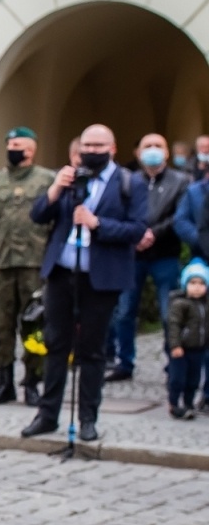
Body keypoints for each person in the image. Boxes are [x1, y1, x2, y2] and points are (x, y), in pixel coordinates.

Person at [22, 124, 150, 441]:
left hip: (101, 278)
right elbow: (38, 215)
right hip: (62, 273)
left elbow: (137, 229)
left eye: (98, 146)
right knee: (55, 344)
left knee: (92, 351)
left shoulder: (130, 183)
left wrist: (97, 223)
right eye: (87, 146)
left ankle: (88, 418)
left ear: (112, 149)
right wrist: (55, 189)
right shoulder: (69, 178)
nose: (91, 151)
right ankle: (47, 415)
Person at [0, 127, 55, 405]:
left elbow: (56, 221)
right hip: (2, 264)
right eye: (9, 144)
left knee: (34, 325)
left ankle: (32, 381)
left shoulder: (46, 180)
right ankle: (4, 381)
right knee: (1, 325)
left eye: (17, 144)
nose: (11, 148)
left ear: (31, 149)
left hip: (35, 265)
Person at [106, 133, 188, 382]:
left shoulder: (180, 181)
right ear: (138, 152)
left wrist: (152, 233)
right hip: (132, 255)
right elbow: (118, 212)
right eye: (147, 146)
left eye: (158, 146)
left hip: (166, 254)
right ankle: (124, 362)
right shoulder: (127, 180)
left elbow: (179, 215)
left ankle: (173, 362)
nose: (153, 149)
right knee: (124, 311)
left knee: (168, 313)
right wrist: (135, 235)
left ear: (167, 152)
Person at [166, 260, 209, 419]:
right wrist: (175, 345)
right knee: (178, 378)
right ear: (185, 284)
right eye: (193, 283)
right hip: (181, 349)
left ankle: (188, 404)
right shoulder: (179, 304)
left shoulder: (205, 305)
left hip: (198, 348)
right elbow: (174, 326)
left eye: (201, 283)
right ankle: (174, 404)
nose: (197, 287)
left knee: (194, 379)